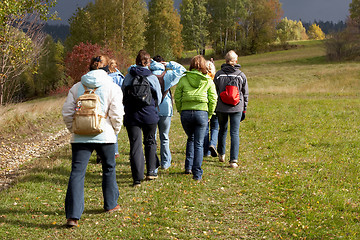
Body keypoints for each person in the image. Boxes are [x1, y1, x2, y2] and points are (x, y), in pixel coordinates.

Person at [62, 55, 124, 227]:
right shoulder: (112, 87)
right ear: (106, 71)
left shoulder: (77, 87)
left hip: (80, 135)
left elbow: (67, 112)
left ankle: (72, 216)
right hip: (105, 135)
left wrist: (74, 129)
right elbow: (117, 114)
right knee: (109, 169)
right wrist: (114, 131)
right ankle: (111, 205)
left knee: (77, 172)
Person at [122, 50, 162, 187]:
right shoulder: (152, 77)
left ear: (136, 61)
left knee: (135, 145)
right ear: (148, 62)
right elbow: (159, 96)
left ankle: (137, 178)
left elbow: (122, 94)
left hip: (132, 115)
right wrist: (154, 107)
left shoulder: (128, 76)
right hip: (149, 114)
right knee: (150, 141)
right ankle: (151, 171)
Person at [174, 55, 217, 181]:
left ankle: (188, 166)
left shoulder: (184, 79)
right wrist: (209, 114)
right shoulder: (207, 80)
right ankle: (197, 174)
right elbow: (213, 99)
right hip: (201, 113)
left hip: (186, 113)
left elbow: (177, 96)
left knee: (191, 138)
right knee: (198, 143)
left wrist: (181, 110)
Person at [150, 55, 186, 170]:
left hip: (151, 109)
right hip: (165, 109)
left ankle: (153, 164)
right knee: (164, 137)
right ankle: (165, 163)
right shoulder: (167, 75)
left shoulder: (148, 75)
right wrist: (169, 64)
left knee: (152, 138)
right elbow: (182, 70)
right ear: (162, 63)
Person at [213, 50, 249, 168]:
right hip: (237, 107)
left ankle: (221, 154)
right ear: (236, 61)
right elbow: (245, 94)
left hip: (221, 107)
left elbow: (214, 91)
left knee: (222, 129)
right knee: (234, 133)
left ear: (226, 60)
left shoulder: (218, 74)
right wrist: (244, 108)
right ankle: (233, 160)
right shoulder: (241, 75)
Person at [108, 59, 125, 158]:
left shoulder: (105, 77)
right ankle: (115, 151)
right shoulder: (120, 77)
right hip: (118, 104)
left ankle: (101, 153)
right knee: (115, 128)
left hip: (106, 104)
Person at [203, 60, 219, 157]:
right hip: (215, 106)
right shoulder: (216, 78)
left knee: (205, 129)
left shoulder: (202, 78)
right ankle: (212, 144)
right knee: (215, 128)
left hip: (205, 106)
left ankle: (206, 151)